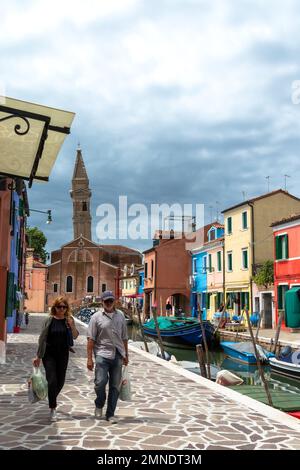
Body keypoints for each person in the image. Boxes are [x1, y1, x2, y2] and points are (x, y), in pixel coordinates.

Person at [32, 297, 79, 422]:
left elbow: (75, 336)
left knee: (61, 382)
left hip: (63, 354)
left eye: (64, 307)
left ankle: (50, 396)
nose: (62, 309)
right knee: (52, 380)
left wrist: (72, 325)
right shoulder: (49, 320)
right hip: (49, 354)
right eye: (59, 307)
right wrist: (38, 356)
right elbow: (42, 338)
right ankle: (53, 408)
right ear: (55, 308)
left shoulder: (69, 320)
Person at [87, 290, 128, 424]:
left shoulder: (121, 316)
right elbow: (91, 339)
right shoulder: (96, 317)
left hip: (117, 355)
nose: (109, 303)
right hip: (102, 354)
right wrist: (89, 358)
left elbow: (125, 337)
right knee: (100, 383)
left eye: (111, 301)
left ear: (114, 301)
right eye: (106, 301)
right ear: (102, 302)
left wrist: (126, 354)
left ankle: (110, 414)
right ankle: (99, 403)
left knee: (115, 386)